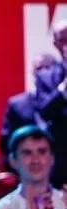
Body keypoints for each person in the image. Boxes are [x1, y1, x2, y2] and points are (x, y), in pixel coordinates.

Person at [0, 53, 59, 162]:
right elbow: (6, 143)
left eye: (48, 68)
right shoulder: (17, 104)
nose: (43, 73)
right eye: (39, 68)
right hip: (25, 168)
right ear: (33, 72)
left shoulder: (63, 103)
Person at [34, 19, 67, 186]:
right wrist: (64, 89)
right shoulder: (46, 77)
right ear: (55, 44)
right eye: (64, 40)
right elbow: (44, 111)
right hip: (61, 164)